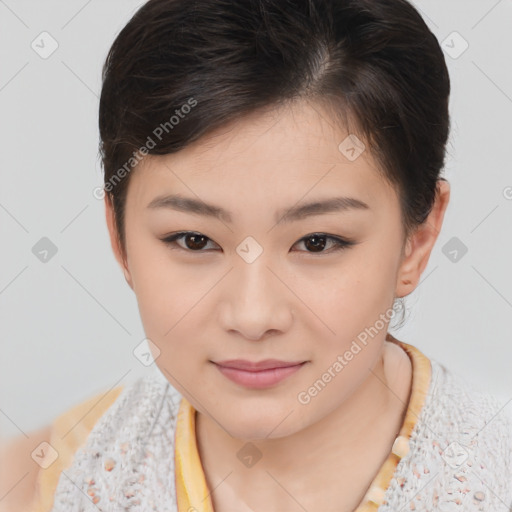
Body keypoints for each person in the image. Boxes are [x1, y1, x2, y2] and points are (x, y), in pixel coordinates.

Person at [2, 0, 511, 510]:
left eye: (317, 242)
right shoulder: (38, 486)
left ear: (417, 238)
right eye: (194, 240)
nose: (252, 316)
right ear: (119, 236)